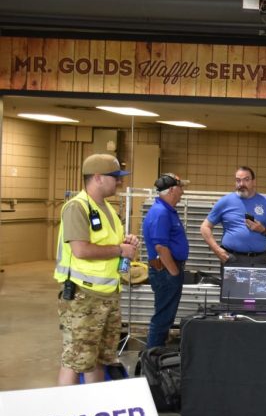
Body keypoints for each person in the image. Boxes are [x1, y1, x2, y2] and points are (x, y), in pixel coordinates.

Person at [53, 154, 140, 386]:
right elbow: (81, 250)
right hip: (84, 297)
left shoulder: (108, 210)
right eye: (115, 177)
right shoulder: (77, 207)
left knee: (101, 359)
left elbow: (117, 255)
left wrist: (127, 248)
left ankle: (94, 404)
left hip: (109, 296)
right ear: (98, 177)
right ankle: (65, 406)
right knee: (76, 359)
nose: (119, 182)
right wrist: (120, 249)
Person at [142, 173, 190, 349]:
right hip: (166, 272)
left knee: (165, 316)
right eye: (180, 188)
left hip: (167, 271)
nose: (182, 192)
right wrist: (174, 272)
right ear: (171, 190)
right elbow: (160, 247)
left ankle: (156, 352)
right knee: (163, 317)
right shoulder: (161, 212)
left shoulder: (165, 210)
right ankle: (152, 355)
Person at [200, 166, 266, 266]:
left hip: (259, 260)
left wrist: (263, 229)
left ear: (254, 182)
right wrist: (217, 250)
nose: (241, 184)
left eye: (246, 180)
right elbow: (205, 227)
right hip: (232, 259)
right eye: (238, 180)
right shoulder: (225, 201)